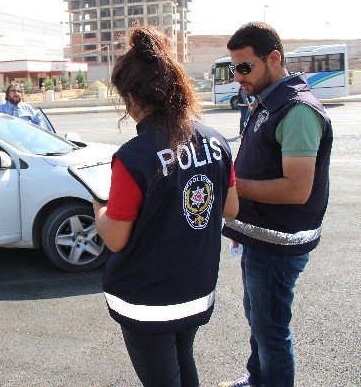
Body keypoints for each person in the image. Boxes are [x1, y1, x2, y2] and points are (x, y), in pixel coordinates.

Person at [92, 25, 239, 387]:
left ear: (132, 97)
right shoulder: (216, 141)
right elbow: (230, 208)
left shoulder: (133, 157)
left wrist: (98, 208)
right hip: (195, 290)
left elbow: (115, 239)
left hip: (148, 301)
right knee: (183, 364)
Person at [219, 22, 333, 387]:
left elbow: (297, 190)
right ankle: (257, 379)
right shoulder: (269, 101)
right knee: (258, 319)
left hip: (279, 245)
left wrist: (233, 186)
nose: (238, 77)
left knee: (270, 330)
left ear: (274, 59)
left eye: (245, 67)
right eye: (233, 68)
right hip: (261, 237)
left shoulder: (297, 110)